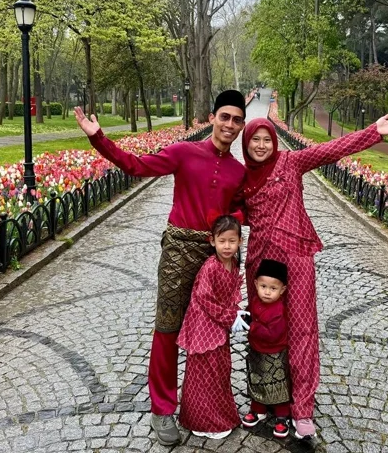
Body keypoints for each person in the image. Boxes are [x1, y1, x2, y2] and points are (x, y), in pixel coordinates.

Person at [73, 89, 247, 446]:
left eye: (237, 120)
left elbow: (243, 209)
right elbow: (137, 166)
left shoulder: (237, 171)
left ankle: (204, 403)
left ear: (242, 125)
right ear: (212, 118)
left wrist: (231, 223)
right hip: (178, 254)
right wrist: (98, 138)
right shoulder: (185, 152)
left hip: (215, 259)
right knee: (167, 330)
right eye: (225, 117)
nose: (230, 124)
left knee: (213, 335)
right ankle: (162, 408)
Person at [237, 112, 388, 441]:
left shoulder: (291, 162)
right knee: (264, 329)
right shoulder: (243, 177)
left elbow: (331, 150)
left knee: (301, 331)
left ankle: (301, 408)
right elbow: (225, 206)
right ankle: (267, 396)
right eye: (254, 140)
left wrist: (373, 132)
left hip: (296, 257)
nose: (260, 145)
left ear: (274, 142)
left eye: (266, 139)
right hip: (260, 263)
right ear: (246, 144)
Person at [177, 214, 244, 439]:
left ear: (240, 241)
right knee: (204, 374)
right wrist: (229, 317)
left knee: (220, 371)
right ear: (212, 241)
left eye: (232, 241)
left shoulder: (234, 264)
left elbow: (231, 294)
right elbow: (205, 298)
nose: (227, 246)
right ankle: (200, 420)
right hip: (203, 325)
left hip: (219, 325)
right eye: (222, 241)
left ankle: (218, 416)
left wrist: (236, 313)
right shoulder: (210, 267)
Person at [241, 258, 290, 439]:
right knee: (257, 379)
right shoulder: (255, 301)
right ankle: (258, 408)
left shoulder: (279, 309)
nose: (267, 292)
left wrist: (252, 326)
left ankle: (282, 415)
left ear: (282, 290)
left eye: (273, 288)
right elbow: (249, 314)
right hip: (257, 350)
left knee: (278, 383)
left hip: (275, 354)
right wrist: (243, 318)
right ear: (256, 284)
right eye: (263, 286)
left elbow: (272, 334)